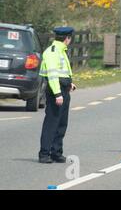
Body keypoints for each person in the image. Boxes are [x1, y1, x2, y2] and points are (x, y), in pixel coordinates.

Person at [38, 27, 77, 164]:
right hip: (56, 91)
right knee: (52, 123)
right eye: (70, 38)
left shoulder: (60, 51)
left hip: (63, 89)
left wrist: (69, 84)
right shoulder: (53, 52)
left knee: (61, 123)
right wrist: (58, 94)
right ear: (67, 38)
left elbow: (62, 73)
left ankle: (56, 152)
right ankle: (44, 153)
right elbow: (53, 75)